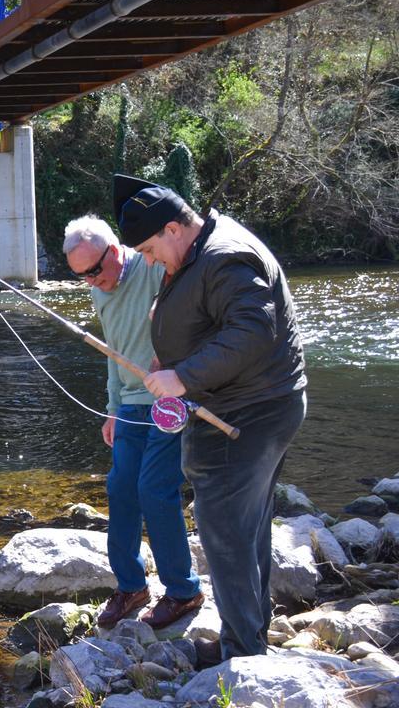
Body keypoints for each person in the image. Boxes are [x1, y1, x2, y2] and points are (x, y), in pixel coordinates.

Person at [114, 174, 307, 660]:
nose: (150, 261)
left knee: (224, 533)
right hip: (249, 406)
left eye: (151, 249)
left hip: (246, 416)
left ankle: (242, 655)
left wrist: (183, 376)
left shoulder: (225, 256)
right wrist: (171, 361)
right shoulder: (202, 249)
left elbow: (252, 331)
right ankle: (247, 637)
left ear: (174, 229)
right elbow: (213, 322)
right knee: (245, 529)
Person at [62, 215, 203, 630]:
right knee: (120, 488)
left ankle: (183, 590)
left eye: (93, 271)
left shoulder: (152, 264)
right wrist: (111, 406)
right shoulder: (99, 291)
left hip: (170, 402)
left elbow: (191, 296)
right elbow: (113, 351)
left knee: (154, 490)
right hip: (128, 407)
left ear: (116, 251)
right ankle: (132, 586)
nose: (90, 281)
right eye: (80, 277)